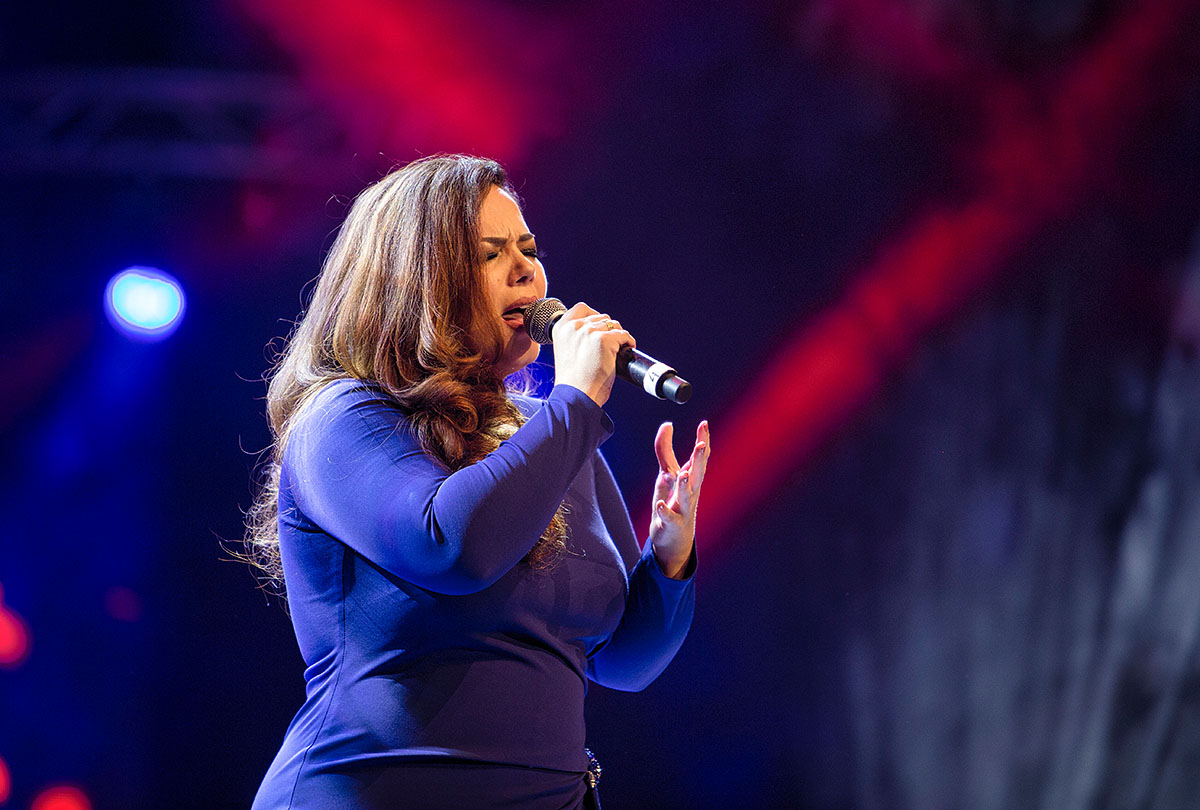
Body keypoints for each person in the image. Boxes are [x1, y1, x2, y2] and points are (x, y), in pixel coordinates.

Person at [243, 154, 709, 810]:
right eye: (491, 254)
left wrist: (669, 558)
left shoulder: (553, 433)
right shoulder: (343, 418)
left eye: (529, 249)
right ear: (418, 280)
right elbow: (452, 548)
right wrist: (577, 403)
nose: (526, 270)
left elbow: (624, 662)